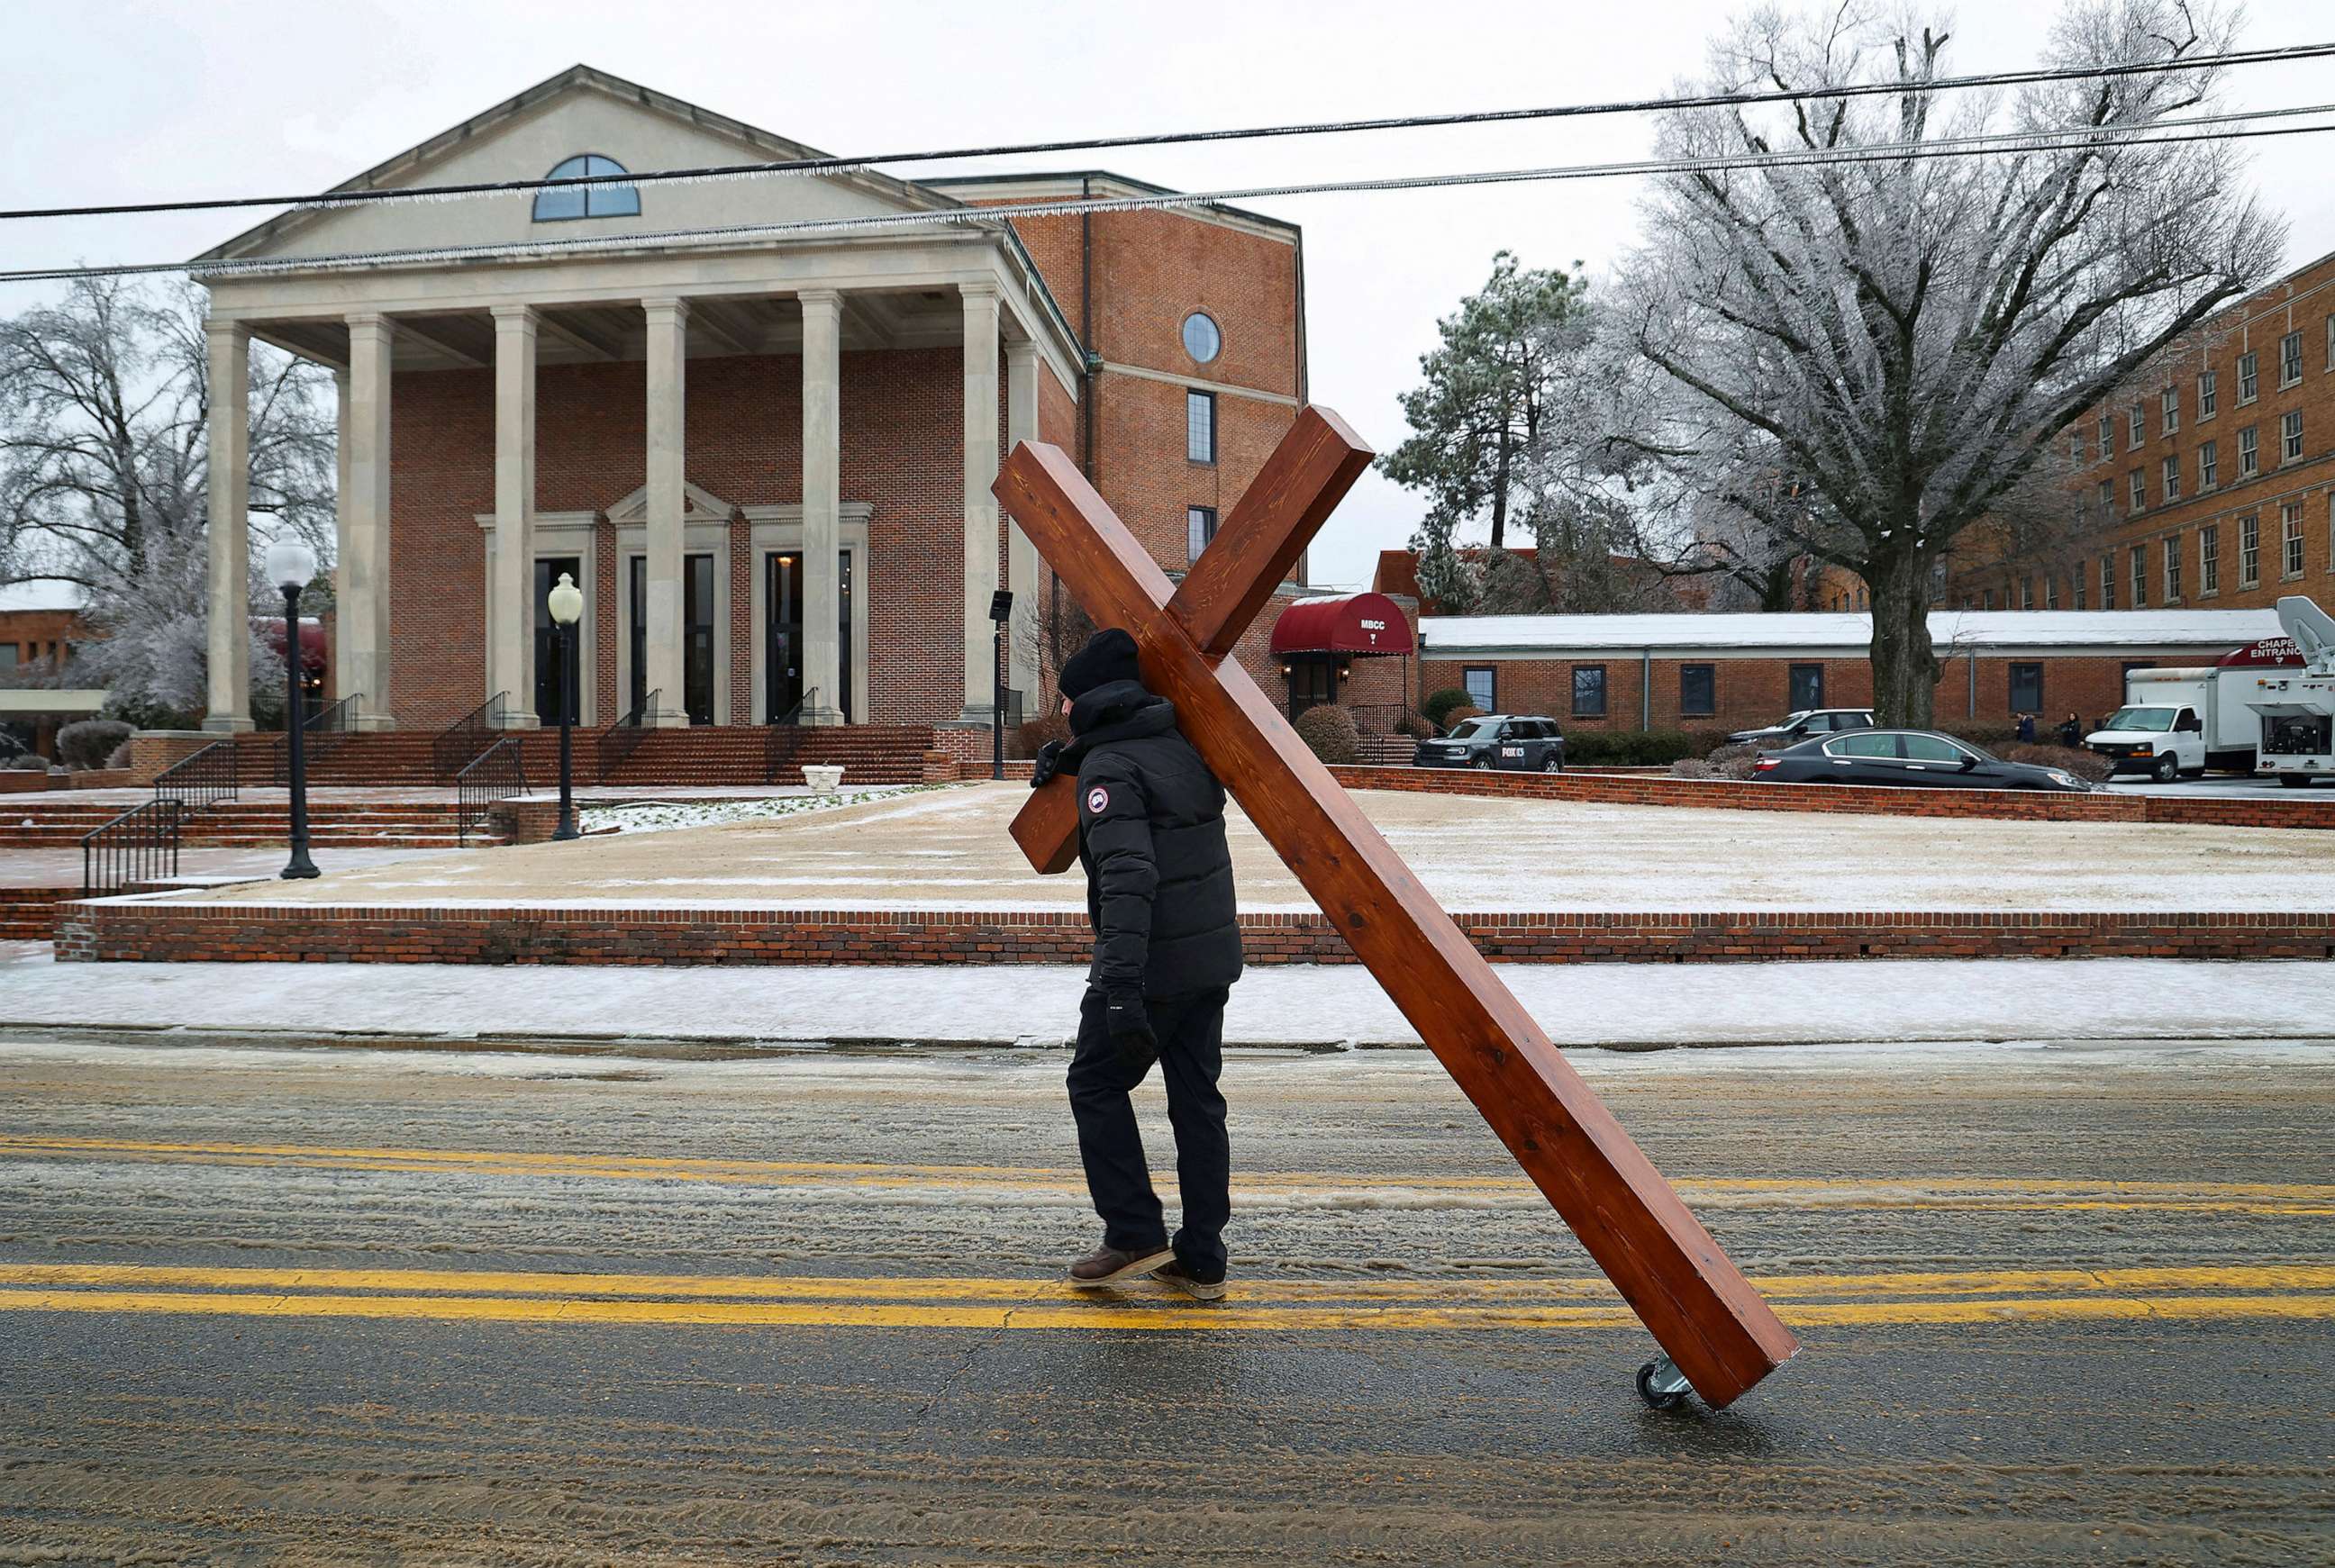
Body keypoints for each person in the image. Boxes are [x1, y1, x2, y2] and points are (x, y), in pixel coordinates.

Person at [1029, 628, 1242, 1301]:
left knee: (1093, 1082)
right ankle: (1203, 1254)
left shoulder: (1110, 769)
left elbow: (1129, 873)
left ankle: (1132, 1231)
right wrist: (1069, 761)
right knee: (1197, 1102)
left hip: (1152, 965)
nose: (1062, 711)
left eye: (1067, 700)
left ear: (1091, 698)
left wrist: (1119, 982)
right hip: (1210, 958)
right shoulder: (1178, 745)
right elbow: (1162, 820)